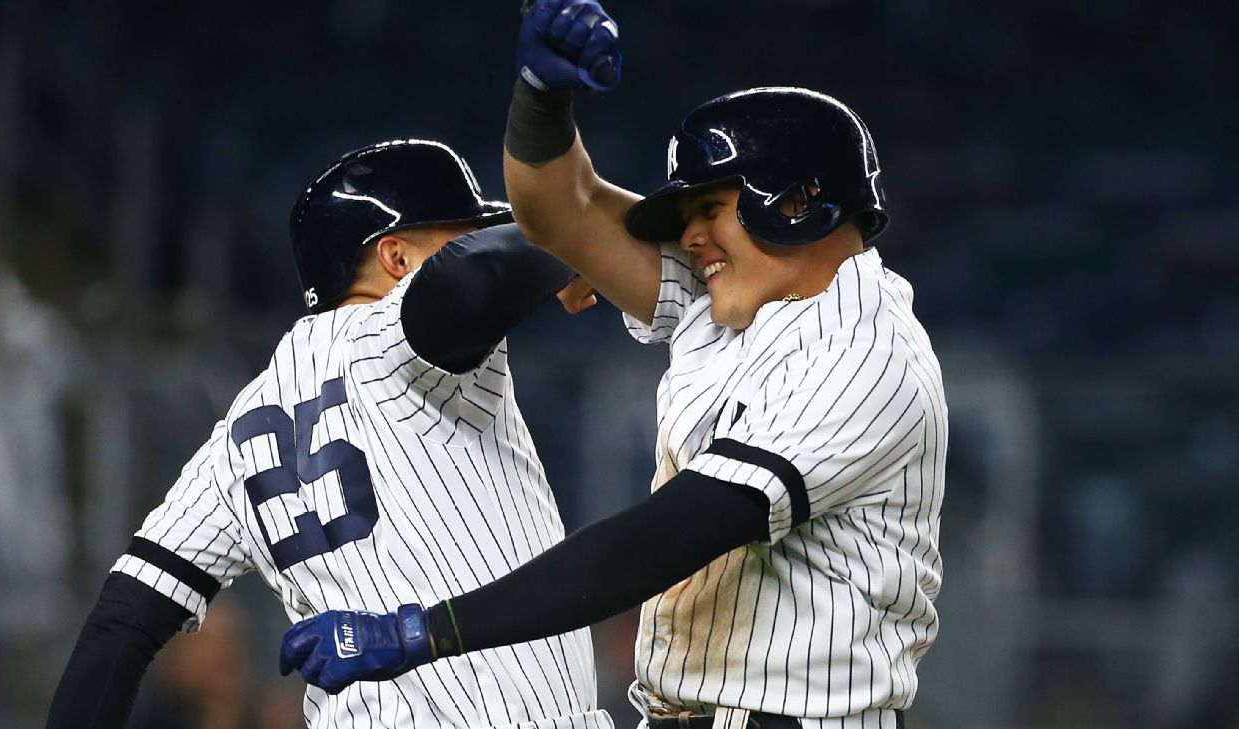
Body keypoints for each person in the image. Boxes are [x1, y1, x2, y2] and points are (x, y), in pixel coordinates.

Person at [277, 3, 947, 729]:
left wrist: (424, 631)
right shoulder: (743, 291)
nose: (692, 236)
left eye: (712, 206)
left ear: (795, 204)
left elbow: (661, 540)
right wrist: (541, 98)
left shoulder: (864, 350)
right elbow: (564, 213)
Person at [46, 139, 612, 729]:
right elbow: (471, 274)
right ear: (396, 259)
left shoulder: (235, 436)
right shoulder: (395, 339)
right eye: (462, 230)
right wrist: (565, 245)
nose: (478, 237)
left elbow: (122, 620)